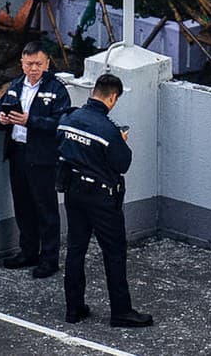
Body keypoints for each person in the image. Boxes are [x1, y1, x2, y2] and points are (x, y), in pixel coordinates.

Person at [57, 73, 153, 328]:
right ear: (112, 97)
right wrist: (119, 141)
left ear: (93, 92)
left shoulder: (69, 118)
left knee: (76, 249)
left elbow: (62, 147)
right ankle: (121, 311)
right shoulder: (107, 129)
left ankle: (73, 308)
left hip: (73, 192)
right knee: (114, 253)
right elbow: (122, 163)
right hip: (100, 198)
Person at [0, 41, 71, 279]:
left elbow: (62, 123)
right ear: (22, 64)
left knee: (45, 209)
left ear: (47, 63)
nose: (33, 68)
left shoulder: (56, 90)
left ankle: (49, 258)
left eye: (38, 63)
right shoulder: (16, 86)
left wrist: (31, 121)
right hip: (18, 152)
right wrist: (2, 120)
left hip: (43, 157)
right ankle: (28, 251)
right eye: (29, 64)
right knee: (23, 205)